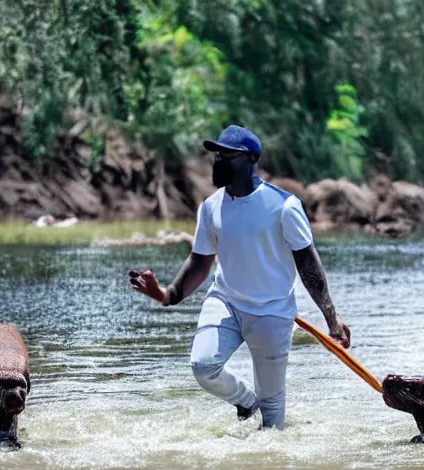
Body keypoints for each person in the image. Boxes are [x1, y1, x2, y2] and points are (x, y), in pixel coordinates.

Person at [128, 125, 350, 430]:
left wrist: (332, 318)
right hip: (226, 302)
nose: (219, 161)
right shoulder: (211, 207)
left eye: (228, 156)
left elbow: (309, 266)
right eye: (217, 155)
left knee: (273, 426)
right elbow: (200, 259)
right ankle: (247, 402)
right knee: (203, 366)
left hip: (272, 313)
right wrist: (167, 294)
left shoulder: (284, 206)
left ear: (251, 160)